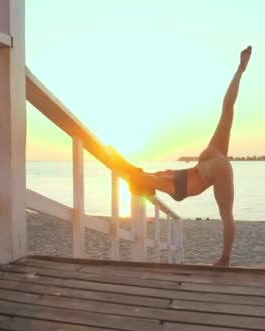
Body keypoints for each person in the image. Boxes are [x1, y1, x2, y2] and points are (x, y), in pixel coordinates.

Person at [108, 46, 252, 266]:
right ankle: (240, 71)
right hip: (209, 163)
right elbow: (136, 175)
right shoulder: (163, 183)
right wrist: (120, 162)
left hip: (210, 165)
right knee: (227, 111)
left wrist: (119, 163)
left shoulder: (165, 183)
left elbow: (137, 175)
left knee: (226, 213)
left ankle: (225, 258)